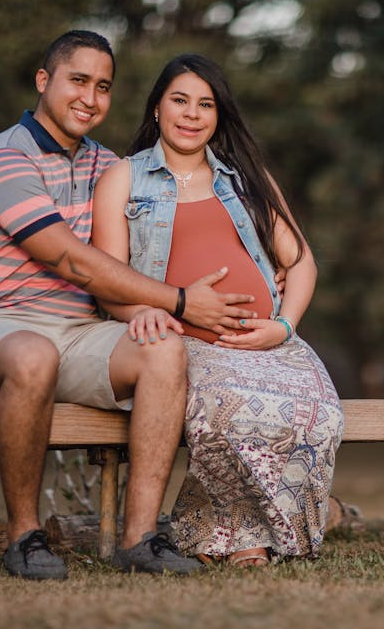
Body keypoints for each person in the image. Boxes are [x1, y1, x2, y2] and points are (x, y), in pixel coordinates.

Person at [0, 31, 259, 580]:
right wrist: (182, 301)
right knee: (34, 355)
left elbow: (154, 247)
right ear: (44, 82)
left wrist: (176, 306)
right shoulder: (4, 155)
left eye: (103, 86)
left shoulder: (111, 168)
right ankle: (24, 536)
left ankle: (140, 538)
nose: (90, 97)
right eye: (78, 81)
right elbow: (70, 261)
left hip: (82, 333)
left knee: (163, 348)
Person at [91, 54, 343, 567]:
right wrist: (141, 310)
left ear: (219, 116)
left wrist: (284, 326)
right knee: (231, 413)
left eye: (206, 104)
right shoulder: (124, 178)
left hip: (268, 340)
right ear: (157, 108)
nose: (191, 114)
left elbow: (301, 261)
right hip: (186, 341)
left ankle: (229, 536)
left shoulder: (247, 177)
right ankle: (241, 540)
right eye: (179, 100)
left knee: (321, 416)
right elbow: (105, 279)